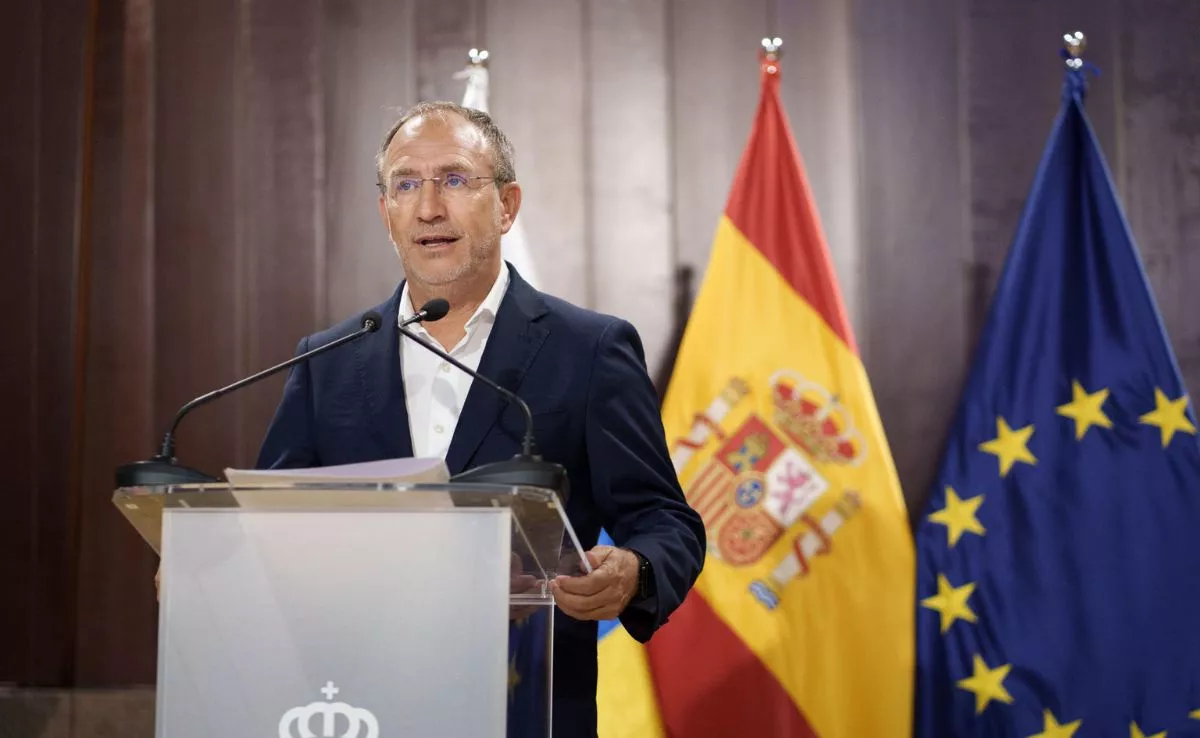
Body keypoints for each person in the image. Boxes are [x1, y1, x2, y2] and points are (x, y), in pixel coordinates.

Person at [255, 101, 706, 736]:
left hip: (529, 701)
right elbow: (270, 520)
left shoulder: (589, 350)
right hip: (357, 705)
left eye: (455, 179)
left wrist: (637, 571)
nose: (428, 207)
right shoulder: (328, 360)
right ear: (385, 213)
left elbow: (665, 519)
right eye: (405, 184)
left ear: (507, 206)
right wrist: (212, 559)